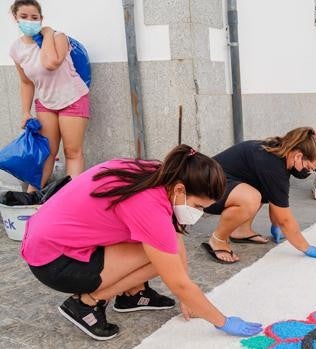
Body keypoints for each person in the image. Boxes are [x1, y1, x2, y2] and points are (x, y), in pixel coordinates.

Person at [21, 144, 263, 340]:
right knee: (157, 256)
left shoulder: (159, 173)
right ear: (180, 189)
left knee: (162, 247)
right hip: (54, 262)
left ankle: (132, 294)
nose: (199, 214)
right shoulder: (149, 204)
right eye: (199, 206)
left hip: (49, 241)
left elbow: (173, 238)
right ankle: (86, 304)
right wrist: (222, 321)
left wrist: (187, 297)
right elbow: (176, 279)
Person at [203, 127, 316, 264]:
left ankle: (241, 231)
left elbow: (277, 200)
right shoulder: (273, 166)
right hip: (203, 190)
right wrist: (306, 248)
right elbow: (285, 219)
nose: (307, 173)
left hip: (218, 182)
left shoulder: (279, 154)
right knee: (251, 198)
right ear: (298, 156)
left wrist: (275, 224)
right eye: (308, 168)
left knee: (260, 190)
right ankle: (217, 240)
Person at [9, 0, 90, 191]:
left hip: (73, 98)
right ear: (15, 18)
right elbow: (26, 82)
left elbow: (51, 62)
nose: (29, 21)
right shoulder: (16, 49)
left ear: (41, 19)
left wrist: (47, 33)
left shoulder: (58, 37)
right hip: (46, 102)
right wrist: (25, 112)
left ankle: (73, 198)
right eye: (24, 17)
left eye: (34, 17)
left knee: (72, 151)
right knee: (47, 153)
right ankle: (31, 197)